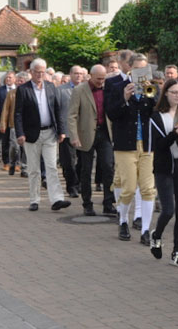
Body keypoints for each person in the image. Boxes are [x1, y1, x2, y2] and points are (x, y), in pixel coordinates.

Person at [106, 53, 157, 242]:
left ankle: (145, 229)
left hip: (147, 144)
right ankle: (123, 221)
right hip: (125, 144)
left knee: (148, 188)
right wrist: (124, 98)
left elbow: (156, 111)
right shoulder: (116, 86)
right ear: (129, 68)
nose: (140, 73)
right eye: (137, 69)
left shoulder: (150, 88)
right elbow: (111, 114)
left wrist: (150, 91)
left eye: (144, 69)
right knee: (127, 188)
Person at [15, 59, 71, 212]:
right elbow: (18, 113)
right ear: (31, 72)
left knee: (52, 167)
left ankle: (57, 199)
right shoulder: (23, 89)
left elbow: (57, 110)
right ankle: (34, 199)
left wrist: (61, 130)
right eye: (37, 72)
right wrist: (20, 133)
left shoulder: (51, 87)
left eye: (43, 72)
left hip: (50, 133)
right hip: (31, 134)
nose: (40, 75)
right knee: (33, 169)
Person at [149, 78, 178, 268]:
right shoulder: (157, 116)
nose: (177, 96)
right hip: (164, 167)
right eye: (173, 92)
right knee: (168, 209)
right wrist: (175, 134)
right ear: (165, 93)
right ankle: (156, 235)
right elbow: (158, 145)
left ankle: (177, 252)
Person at [68, 64, 117, 217]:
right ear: (90, 76)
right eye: (98, 79)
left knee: (108, 168)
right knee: (86, 170)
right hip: (86, 134)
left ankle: (108, 203)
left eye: (103, 79)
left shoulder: (108, 88)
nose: (101, 82)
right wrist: (74, 136)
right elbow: (72, 115)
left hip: (105, 133)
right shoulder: (79, 90)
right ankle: (87, 204)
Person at [58, 66, 83, 198]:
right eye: (75, 73)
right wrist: (60, 130)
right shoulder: (61, 90)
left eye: (80, 74)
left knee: (83, 161)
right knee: (68, 161)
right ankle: (71, 186)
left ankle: (79, 184)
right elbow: (58, 111)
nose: (78, 76)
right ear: (70, 74)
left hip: (83, 132)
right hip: (67, 132)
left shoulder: (87, 89)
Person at [0, 72, 29, 177]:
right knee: (14, 147)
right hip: (14, 124)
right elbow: (6, 109)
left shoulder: (29, 93)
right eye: (18, 80)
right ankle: (12, 163)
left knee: (26, 148)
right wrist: (3, 123)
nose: (19, 82)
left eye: (22, 81)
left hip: (27, 125)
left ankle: (24, 168)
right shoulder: (11, 93)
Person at [0, 72, 16, 171]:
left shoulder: (19, 90)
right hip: (3, 119)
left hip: (15, 119)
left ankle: (16, 162)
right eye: (7, 78)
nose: (8, 79)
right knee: (5, 141)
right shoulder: (0, 90)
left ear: (14, 79)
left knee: (16, 143)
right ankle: (6, 162)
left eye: (10, 77)